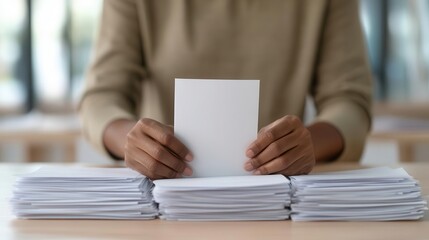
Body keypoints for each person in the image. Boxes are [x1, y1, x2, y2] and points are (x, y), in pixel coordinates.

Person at [79, 0, 372, 180]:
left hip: (279, 195)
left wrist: (308, 144)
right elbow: (102, 96)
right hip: (166, 195)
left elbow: (349, 100)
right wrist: (132, 141)